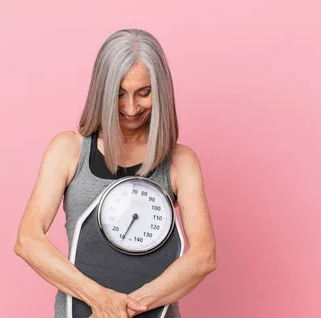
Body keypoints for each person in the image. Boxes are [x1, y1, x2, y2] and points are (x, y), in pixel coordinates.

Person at [13, 28, 217, 318]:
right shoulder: (68, 150)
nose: (131, 107)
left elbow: (203, 257)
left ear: (160, 92)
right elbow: (28, 240)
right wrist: (99, 299)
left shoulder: (181, 162)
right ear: (102, 91)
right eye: (119, 94)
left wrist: (128, 307)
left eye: (143, 93)